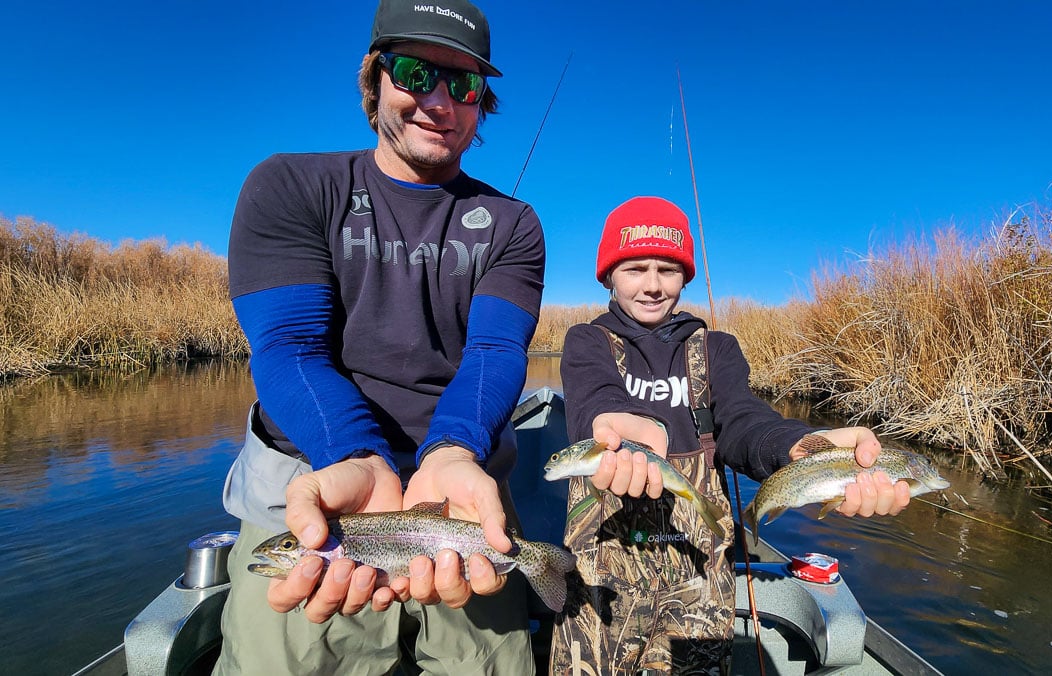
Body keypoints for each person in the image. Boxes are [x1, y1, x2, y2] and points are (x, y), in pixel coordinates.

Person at [214, 0, 546, 673]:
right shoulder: (289, 186)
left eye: (464, 84)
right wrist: (356, 455)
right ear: (375, 79)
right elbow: (289, 346)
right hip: (313, 479)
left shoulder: (513, 224)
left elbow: (494, 352)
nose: (439, 101)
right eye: (414, 72)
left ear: (482, 103)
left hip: (460, 485)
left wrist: (454, 450)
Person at [549, 196, 911, 675]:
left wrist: (799, 448)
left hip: (700, 584)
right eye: (636, 268)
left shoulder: (716, 349)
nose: (653, 285)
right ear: (608, 275)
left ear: (686, 276)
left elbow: (743, 421)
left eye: (668, 269)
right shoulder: (585, 341)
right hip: (601, 588)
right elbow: (593, 398)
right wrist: (613, 424)